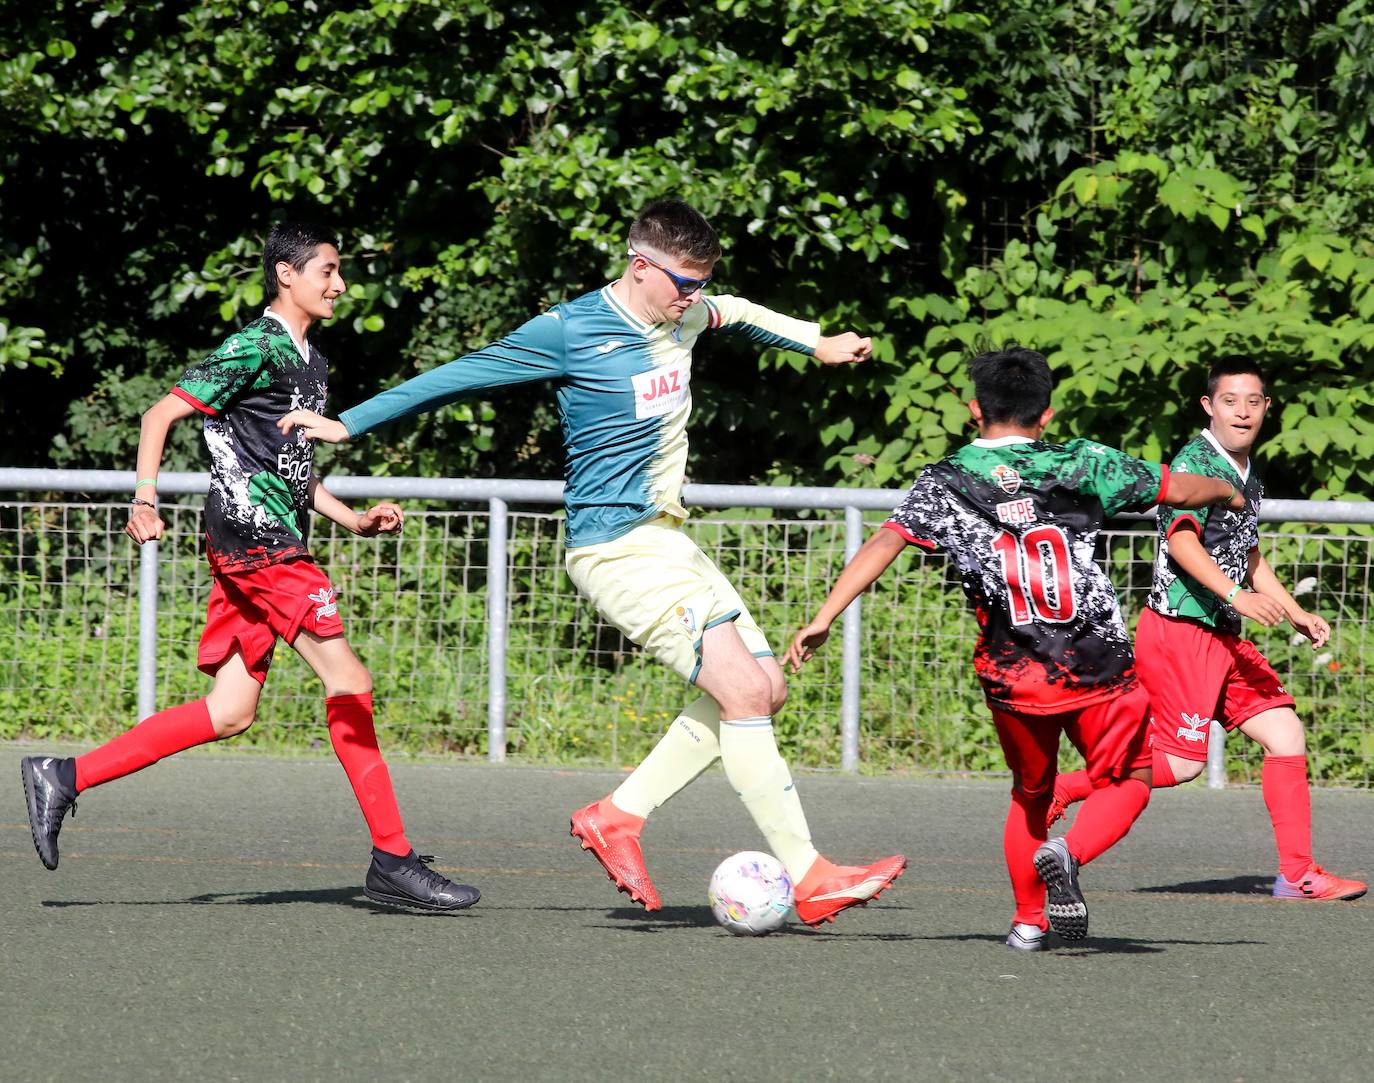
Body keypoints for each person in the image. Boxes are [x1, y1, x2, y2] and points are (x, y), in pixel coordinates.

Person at [278, 198, 906, 926]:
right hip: (614, 546)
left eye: (701, 283)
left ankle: (618, 815)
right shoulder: (573, 329)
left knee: (767, 688)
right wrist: (349, 422)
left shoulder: (689, 313)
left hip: (669, 539)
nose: (694, 297)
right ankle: (811, 873)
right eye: (682, 283)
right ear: (641, 268)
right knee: (742, 691)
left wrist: (816, 341)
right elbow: (466, 372)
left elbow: (735, 310)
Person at [19, 222, 479, 913]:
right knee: (349, 678)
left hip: (267, 542)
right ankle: (393, 858)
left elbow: (291, 469)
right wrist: (143, 498)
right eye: (327, 270)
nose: (339, 283)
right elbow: (157, 415)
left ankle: (64, 774)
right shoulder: (252, 347)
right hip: (258, 545)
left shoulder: (312, 362)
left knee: (230, 711)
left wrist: (350, 518)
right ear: (286, 275)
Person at [784, 345, 1245, 949]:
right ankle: (1069, 851)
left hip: (1013, 675)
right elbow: (1177, 490)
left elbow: (884, 543)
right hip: (1096, 666)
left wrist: (823, 616)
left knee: (1031, 792)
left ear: (975, 410)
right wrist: (1225, 491)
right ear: (1046, 415)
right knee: (1131, 778)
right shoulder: (1083, 462)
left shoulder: (948, 479)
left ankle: (1028, 922)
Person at [1047, 358, 1365, 901]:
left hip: (1219, 636)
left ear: (1266, 407)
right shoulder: (1197, 464)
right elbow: (1182, 542)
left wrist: (1291, 608)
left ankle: (1298, 874)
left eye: (1253, 401)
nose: (1242, 410)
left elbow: (1247, 552)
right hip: (1181, 633)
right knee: (1179, 764)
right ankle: (1064, 797)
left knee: (1285, 733)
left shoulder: (1246, 471)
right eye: (1230, 400)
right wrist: (1238, 595)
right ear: (1208, 406)